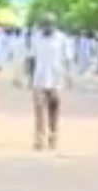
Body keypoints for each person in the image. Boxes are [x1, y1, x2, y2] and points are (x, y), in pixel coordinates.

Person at [27, 13, 72, 151]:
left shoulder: (62, 38)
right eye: (45, 25)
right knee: (39, 109)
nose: (47, 28)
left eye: (49, 25)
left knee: (54, 109)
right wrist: (30, 78)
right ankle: (39, 139)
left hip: (56, 78)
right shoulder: (35, 38)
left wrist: (68, 76)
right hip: (39, 78)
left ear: (54, 25)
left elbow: (67, 59)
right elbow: (31, 59)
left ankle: (53, 136)